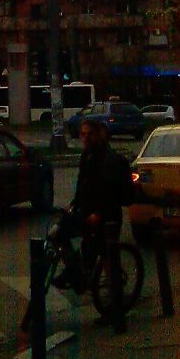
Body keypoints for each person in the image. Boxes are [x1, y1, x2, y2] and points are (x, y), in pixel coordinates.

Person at [52, 118, 127, 290]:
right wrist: (73, 205)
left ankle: (115, 302)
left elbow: (111, 191)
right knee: (59, 232)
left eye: (89, 134)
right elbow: (82, 185)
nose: (85, 138)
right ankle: (74, 272)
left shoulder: (109, 159)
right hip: (87, 212)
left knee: (106, 254)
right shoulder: (87, 155)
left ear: (99, 135)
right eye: (82, 134)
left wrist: (99, 213)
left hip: (107, 217)